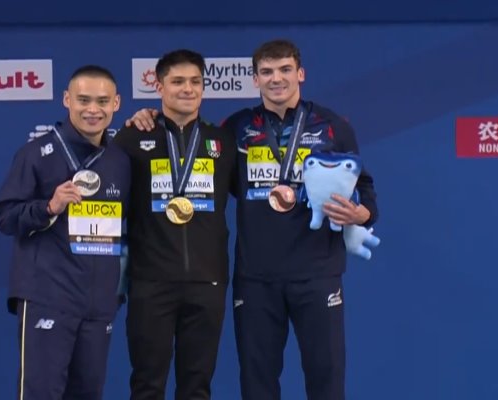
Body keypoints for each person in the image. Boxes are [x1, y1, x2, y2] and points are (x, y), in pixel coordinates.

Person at [124, 39, 379, 400]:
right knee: (257, 384)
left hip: (317, 274)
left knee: (327, 379)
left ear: (300, 73)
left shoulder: (332, 126)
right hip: (256, 279)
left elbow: (364, 188)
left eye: (285, 70)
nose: (277, 79)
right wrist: (147, 117)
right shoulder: (235, 129)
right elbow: (191, 152)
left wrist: (362, 213)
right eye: (267, 72)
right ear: (255, 79)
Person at [0, 65, 130, 400]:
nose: (92, 109)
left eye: (101, 101)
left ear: (117, 103)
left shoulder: (121, 161)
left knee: (88, 394)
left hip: (98, 303)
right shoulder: (36, 153)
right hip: (48, 297)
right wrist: (48, 208)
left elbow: (128, 230)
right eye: (83, 100)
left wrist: (117, 291)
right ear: (67, 99)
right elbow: (3, 215)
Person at [111, 49, 237, 400]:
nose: (188, 89)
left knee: (197, 387)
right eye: (178, 81)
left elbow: (256, 198)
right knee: (147, 384)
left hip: (207, 282)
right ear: (159, 87)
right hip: (151, 283)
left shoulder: (223, 142)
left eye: (195, 81)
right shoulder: (133, 138)